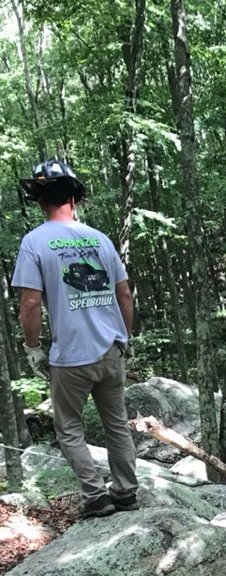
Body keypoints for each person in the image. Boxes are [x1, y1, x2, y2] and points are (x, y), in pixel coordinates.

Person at [12, 159, 138, 519]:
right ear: (74, 197)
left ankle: (96, 496)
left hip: (71, 356)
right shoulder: (99, 239)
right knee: (116, 424)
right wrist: (124, 339)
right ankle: (126, 493)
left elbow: (31, 302)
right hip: (111, 349)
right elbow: (124, 295)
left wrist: (32, 347)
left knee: (68, 428)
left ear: (40, 200)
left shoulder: (34, 242)